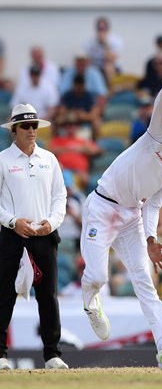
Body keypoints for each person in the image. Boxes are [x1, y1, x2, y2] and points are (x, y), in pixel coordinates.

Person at [80, 65, 162, 370]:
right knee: (98, 276)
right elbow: (160, 106)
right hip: (101, 206)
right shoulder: (161, 135)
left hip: (132, 217)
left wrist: (152, 240)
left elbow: (152, 206)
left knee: (145, 282)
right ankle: (90, 300)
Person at [0, 104, 68, 370]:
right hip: (12, 234)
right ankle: (0, 355)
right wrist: (13, 222)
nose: (31, 131)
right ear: (14, 131)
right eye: (25, 127)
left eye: (34, 126)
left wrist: (50, 224)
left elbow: (60, 196)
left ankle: (53, 355)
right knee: (3, 294)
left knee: (48, 296)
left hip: (43, 233)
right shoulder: (3, 159)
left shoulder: (49, 159)